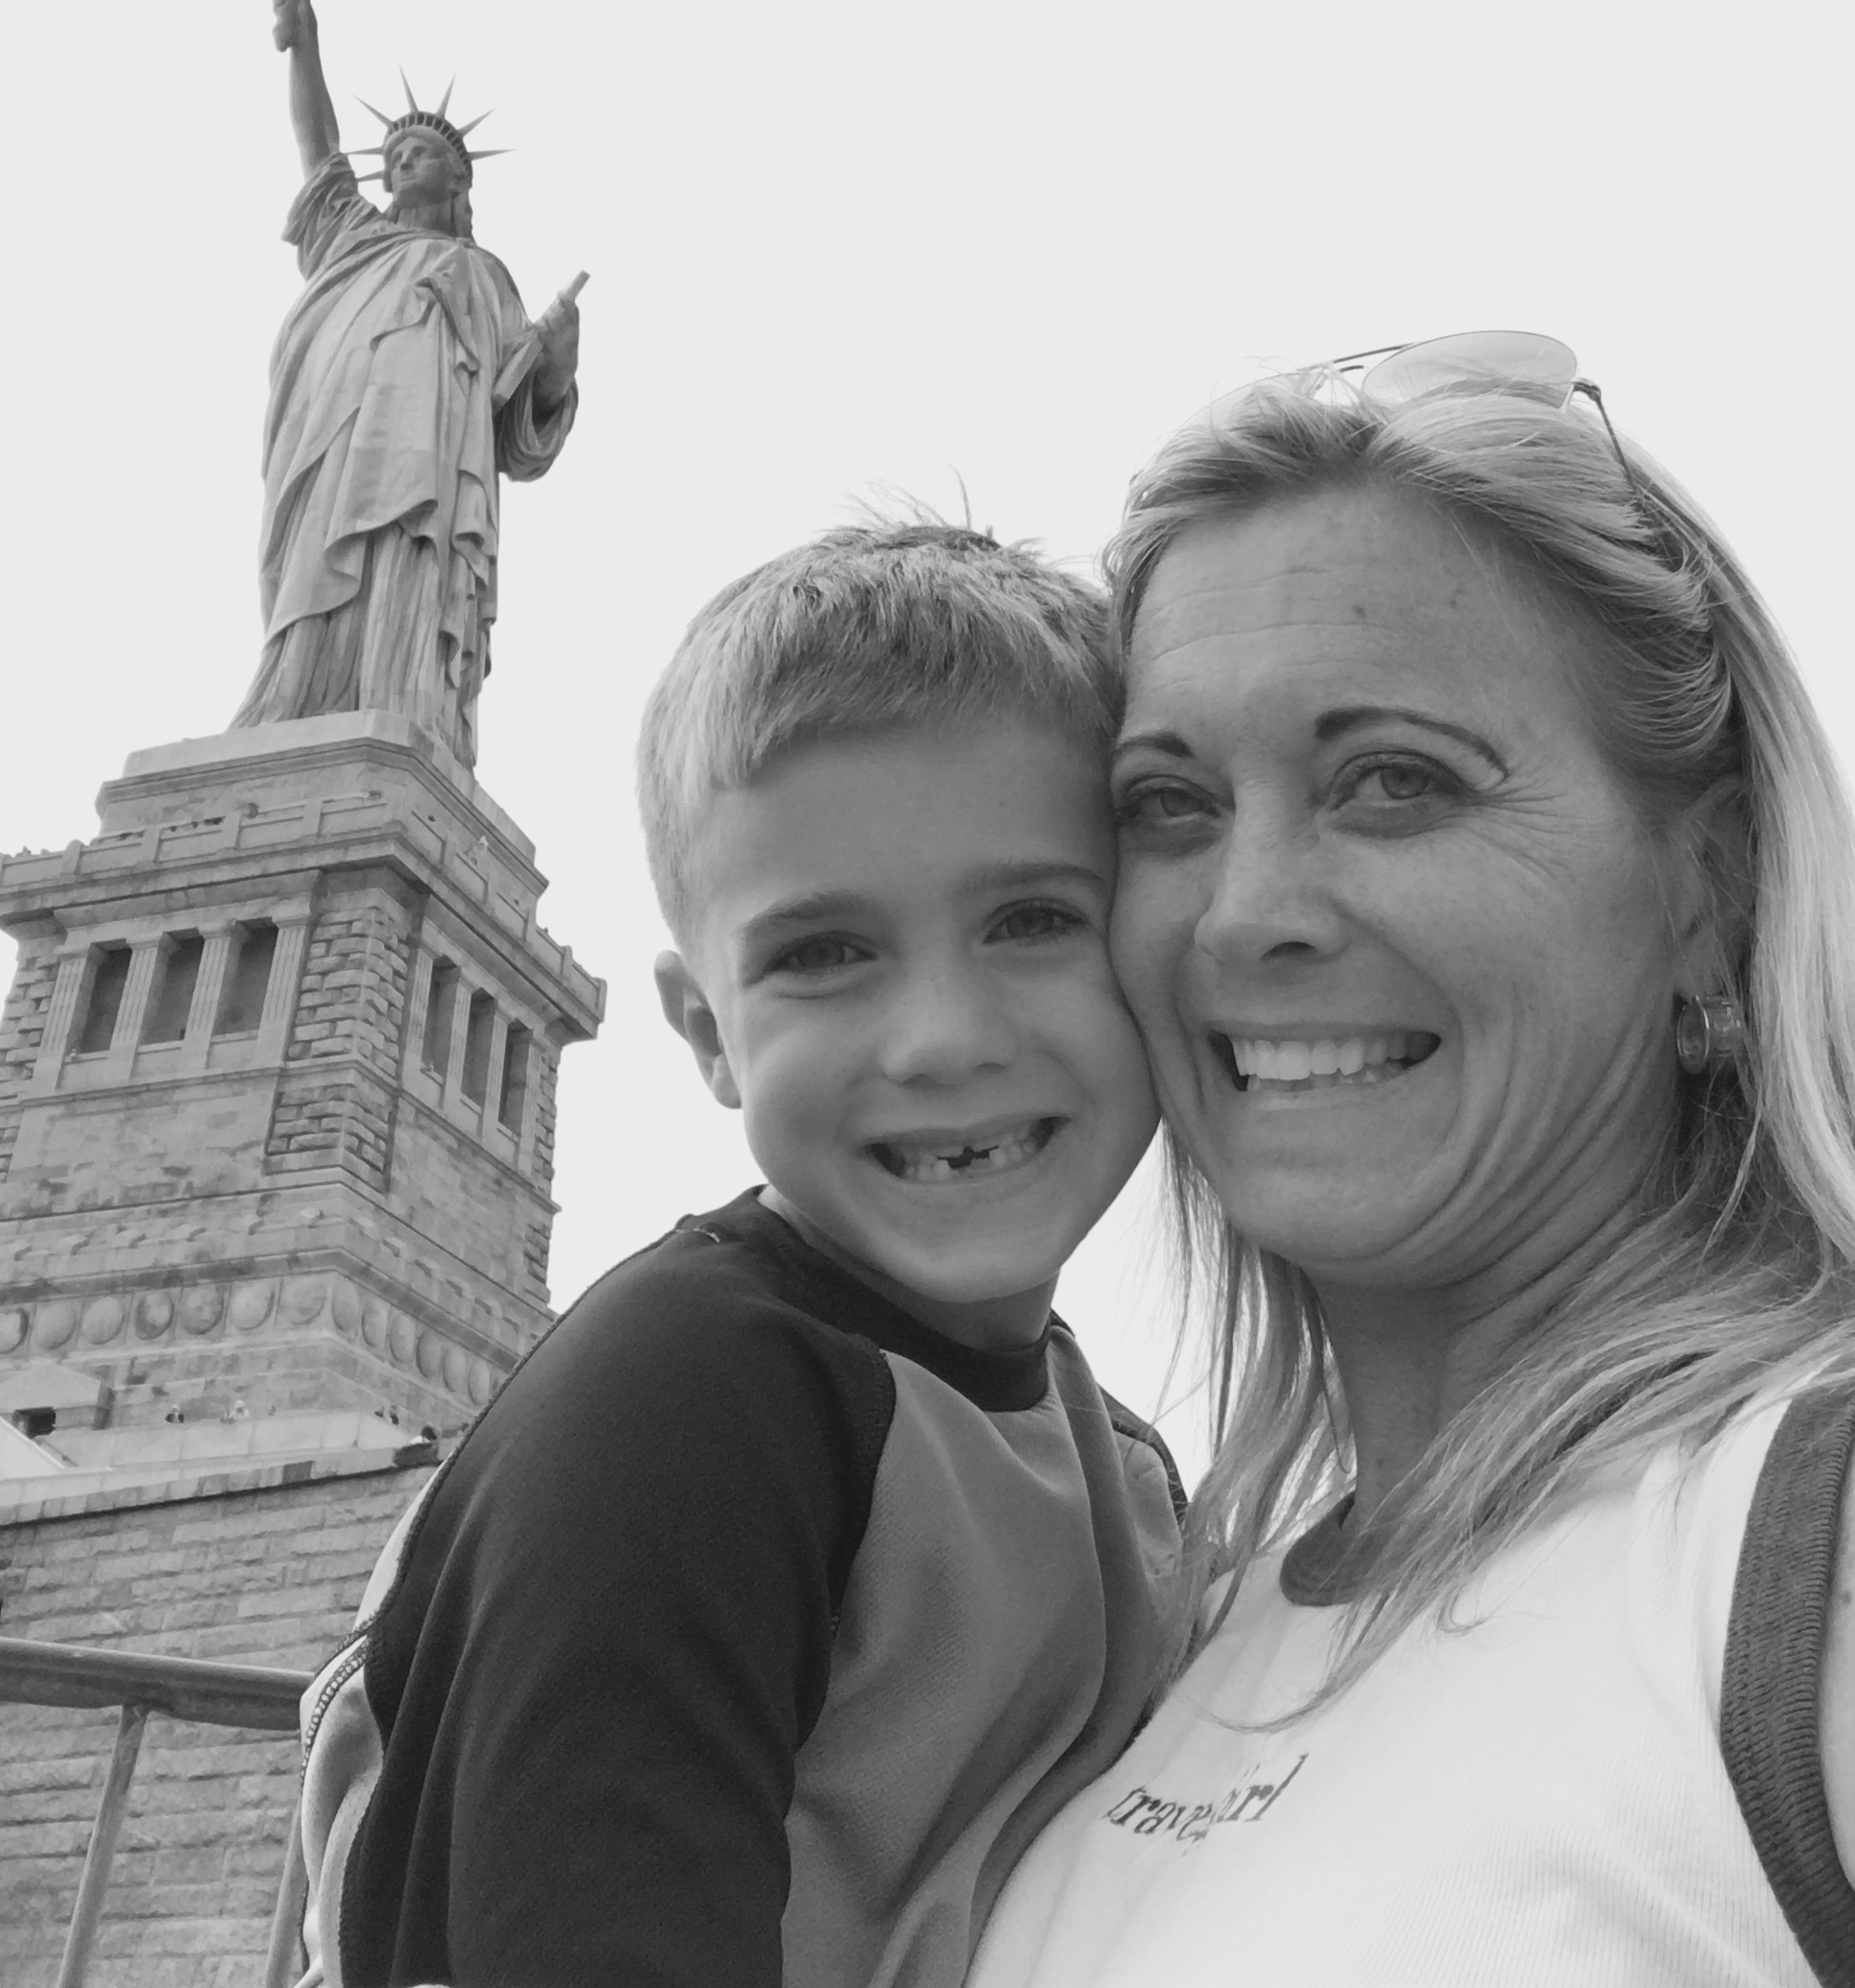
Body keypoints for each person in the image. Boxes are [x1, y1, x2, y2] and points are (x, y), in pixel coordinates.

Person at [970, 338, 1855, 1987]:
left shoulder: (1802, 1550)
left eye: (1393, 782)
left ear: (1708, 897)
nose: (1245, 911)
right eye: (1168, 806)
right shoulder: (1157, 1655)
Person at [285, 521, 1182, 1988]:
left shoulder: (1104, 1459)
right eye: (826, 952)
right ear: (708, 1032)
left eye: (1032, 920)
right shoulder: (696, 1401)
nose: (946, 1035)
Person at [231, 0, 581, 767]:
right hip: (334, 433)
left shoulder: (486, 277)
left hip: (434, 464)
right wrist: (304, 43)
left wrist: (557, 370)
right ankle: (298, 697)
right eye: (392, 157)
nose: (399, 167)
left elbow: (518, 436)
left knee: (410, 565)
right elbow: (317, 147)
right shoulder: (353, 237)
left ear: (459, 175)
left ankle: (404, 700)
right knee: (320, 564)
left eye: (418, 154)